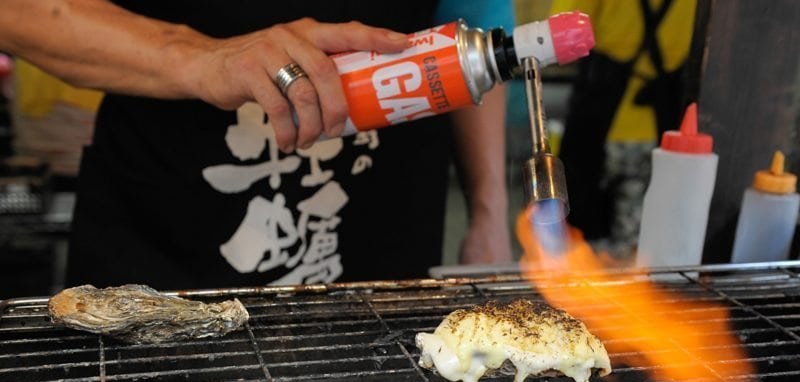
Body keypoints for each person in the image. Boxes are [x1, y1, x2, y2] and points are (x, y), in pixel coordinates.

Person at [0, 0, 514, 289]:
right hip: (169, 223)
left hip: (380, 216)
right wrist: (198, 55)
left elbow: (476, 19)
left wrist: (489, 211)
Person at [551, 0, 696, 259]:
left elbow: (558, 38)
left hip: (598, 127)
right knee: (640, 246)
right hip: (662, 135)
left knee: (581, 240)